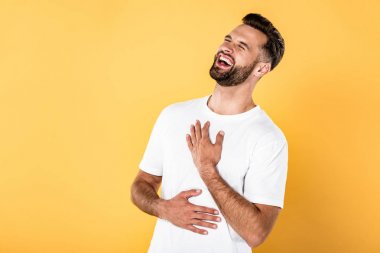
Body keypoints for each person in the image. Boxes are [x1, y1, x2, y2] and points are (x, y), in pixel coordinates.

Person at [131, 13, 288, 253]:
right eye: (228, 39)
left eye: (241, 46)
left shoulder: (268, 138)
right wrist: (162, 208)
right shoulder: (173, 115)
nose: (227, 47)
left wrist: (207, 169)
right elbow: (142, 184)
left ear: (261, 69)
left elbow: (256, 233)